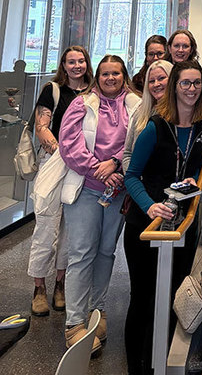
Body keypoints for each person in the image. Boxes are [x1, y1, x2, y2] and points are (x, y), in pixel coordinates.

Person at [123, 60, 202, 375]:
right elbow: (132, 176)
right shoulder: (155, 125)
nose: (191, 89)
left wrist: (189, 183)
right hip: (144, 223)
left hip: (180, 226)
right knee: (143, 298)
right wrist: (150, 206)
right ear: (174, 86)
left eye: (197, 83)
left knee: (173, 292)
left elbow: (190, 171)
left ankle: (158, 362)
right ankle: (137, 368)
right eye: (185, 83)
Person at [59, 54, 140, 354]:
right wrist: (98, 169)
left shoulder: (136, 105)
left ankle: (98, 311)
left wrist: (117, 165)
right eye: (105, 74)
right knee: (81, 254)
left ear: (124, 76)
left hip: (117, 191)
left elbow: (136, 142)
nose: (110, 78)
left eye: (116, 74)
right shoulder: (81, 104)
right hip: (86, 190)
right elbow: (69, 145)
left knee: (106, 252)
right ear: (98, 76)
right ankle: (74, 323)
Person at [28, 45, 93, 317]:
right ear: (63, 65)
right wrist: (63, 152)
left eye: (81, 61)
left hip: (81, 168)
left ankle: (60, 284)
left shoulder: (93, 93)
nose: (76, 66)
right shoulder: (53, 90)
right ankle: (39, 288)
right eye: (71, 62)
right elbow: (41, 126)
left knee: (72, 230)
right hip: (55, 162)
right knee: (46, 225)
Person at [122, 58, 173, 173]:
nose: (156, 84)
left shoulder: (181, 115)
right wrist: (134, 180)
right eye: (151, 81)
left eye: (161, 78)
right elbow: (127, 154)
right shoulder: (140, 113)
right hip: (138, 184)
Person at [167, 28, 202, 109]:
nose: (180, 50)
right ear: (169, 49)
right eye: (176, 46)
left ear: (191, 50)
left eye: (185, 46)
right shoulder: (162, 76)